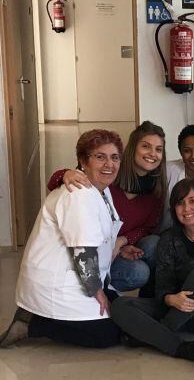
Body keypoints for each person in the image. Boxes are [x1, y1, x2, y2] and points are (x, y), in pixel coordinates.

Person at [0, 130, 124, 349]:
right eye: (99, 156)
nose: (109, 164)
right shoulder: (79, 193)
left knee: (122, 312)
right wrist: (97, 291)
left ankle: (39, 315)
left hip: (75, 275)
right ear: (83, 161)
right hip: (58, 282)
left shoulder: (102, 190)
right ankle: (32, 324)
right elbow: (83, 252)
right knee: (107, 336)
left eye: (114, 157)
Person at [110, 179, 194, 367]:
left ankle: (157, 333)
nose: (186, 208)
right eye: (180, 203)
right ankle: (182, 347)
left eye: (193, 201)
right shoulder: (169, 238)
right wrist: (171, 299)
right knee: (120, 305)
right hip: (176, 308)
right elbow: (162, 287)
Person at [48, 121, 168, 292]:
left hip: (119, 247)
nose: (152, 154)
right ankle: (99, 287)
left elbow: (148, 227)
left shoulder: (157, 189)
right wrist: (65, 174)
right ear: (133, 148)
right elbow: (59, 179)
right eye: (146, 146)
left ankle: (147, 297)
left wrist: (121, 242)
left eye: (158, 149)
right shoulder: (109, 173)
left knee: (153, 245)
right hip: (92, 247)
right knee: (138, 271)